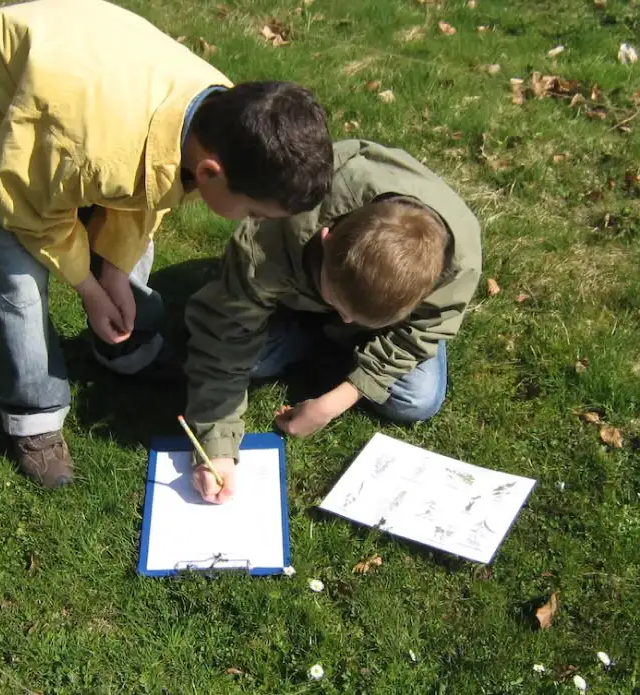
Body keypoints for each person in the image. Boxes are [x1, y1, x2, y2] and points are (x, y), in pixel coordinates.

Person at [0, 0, 333, 488]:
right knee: (16, 274)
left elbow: (150, 185)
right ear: (210, 172)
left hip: (78, 78)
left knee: (119, 228)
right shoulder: (92, 151)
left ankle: (125, 349)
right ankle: (34, 415)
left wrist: (114, 271)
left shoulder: (223, 117)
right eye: (253, 212)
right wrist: (90, 288)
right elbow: (30, 210)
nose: (249, 223)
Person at [183, 139, 482, 503]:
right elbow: (225, 329)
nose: (345, 318)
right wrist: (217, 446)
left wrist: (336, 401)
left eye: (356, 318)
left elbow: (420, 332)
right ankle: (320, 336)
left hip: (345, 306)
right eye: (338, 304)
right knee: (250, 361)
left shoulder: (456, 267)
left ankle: (322, 342)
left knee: (417, 400)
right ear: (326, 239)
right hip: (294, 298)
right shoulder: (281, 223)